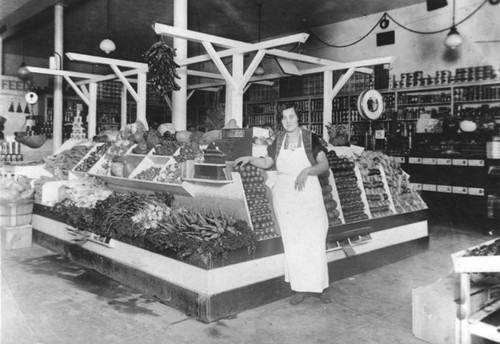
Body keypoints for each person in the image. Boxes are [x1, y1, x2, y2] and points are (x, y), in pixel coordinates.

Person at [235, 107, 331, 305]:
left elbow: (323, 165)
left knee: (314, 237)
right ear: (281, 121)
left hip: (308, 191)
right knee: (293, 241)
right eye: (284, 118)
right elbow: (268, 163)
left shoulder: (310, 138)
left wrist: (307, 171)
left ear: (298, 118)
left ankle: (318, 288)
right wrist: (251, 159)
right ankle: (299, 289)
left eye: (291, 116)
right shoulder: (278, 141)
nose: (288, 121)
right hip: (286, 194)